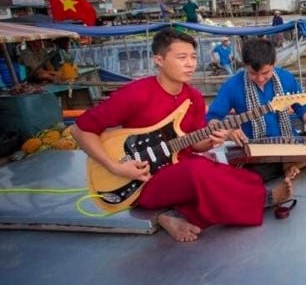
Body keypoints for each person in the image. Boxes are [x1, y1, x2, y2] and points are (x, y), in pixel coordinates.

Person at [71, 28, 293, 242]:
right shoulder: (136, 93)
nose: (190, 63)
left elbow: (196, 145)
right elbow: (80, 130)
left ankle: (168, 215)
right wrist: (115, 167)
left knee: (245, 177)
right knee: (199, 171)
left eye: (193, 57)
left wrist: (214, 139)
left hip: (180, 169)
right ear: (159, 60)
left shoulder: (194, 97)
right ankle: (266, 199)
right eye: (182, 57)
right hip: (143, 180)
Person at [206, 38, 306, 182]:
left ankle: (289, 163)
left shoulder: (285, 77)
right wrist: (228, 132)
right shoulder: (233, 85)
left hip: (290, 141)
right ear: (245, 66)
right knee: (255, 175)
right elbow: (213, 117)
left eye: (265, 73)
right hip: (257, 149)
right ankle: (290, 164)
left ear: (274, 63)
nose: (260, 79)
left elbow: (302, 106)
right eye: (253, 73)